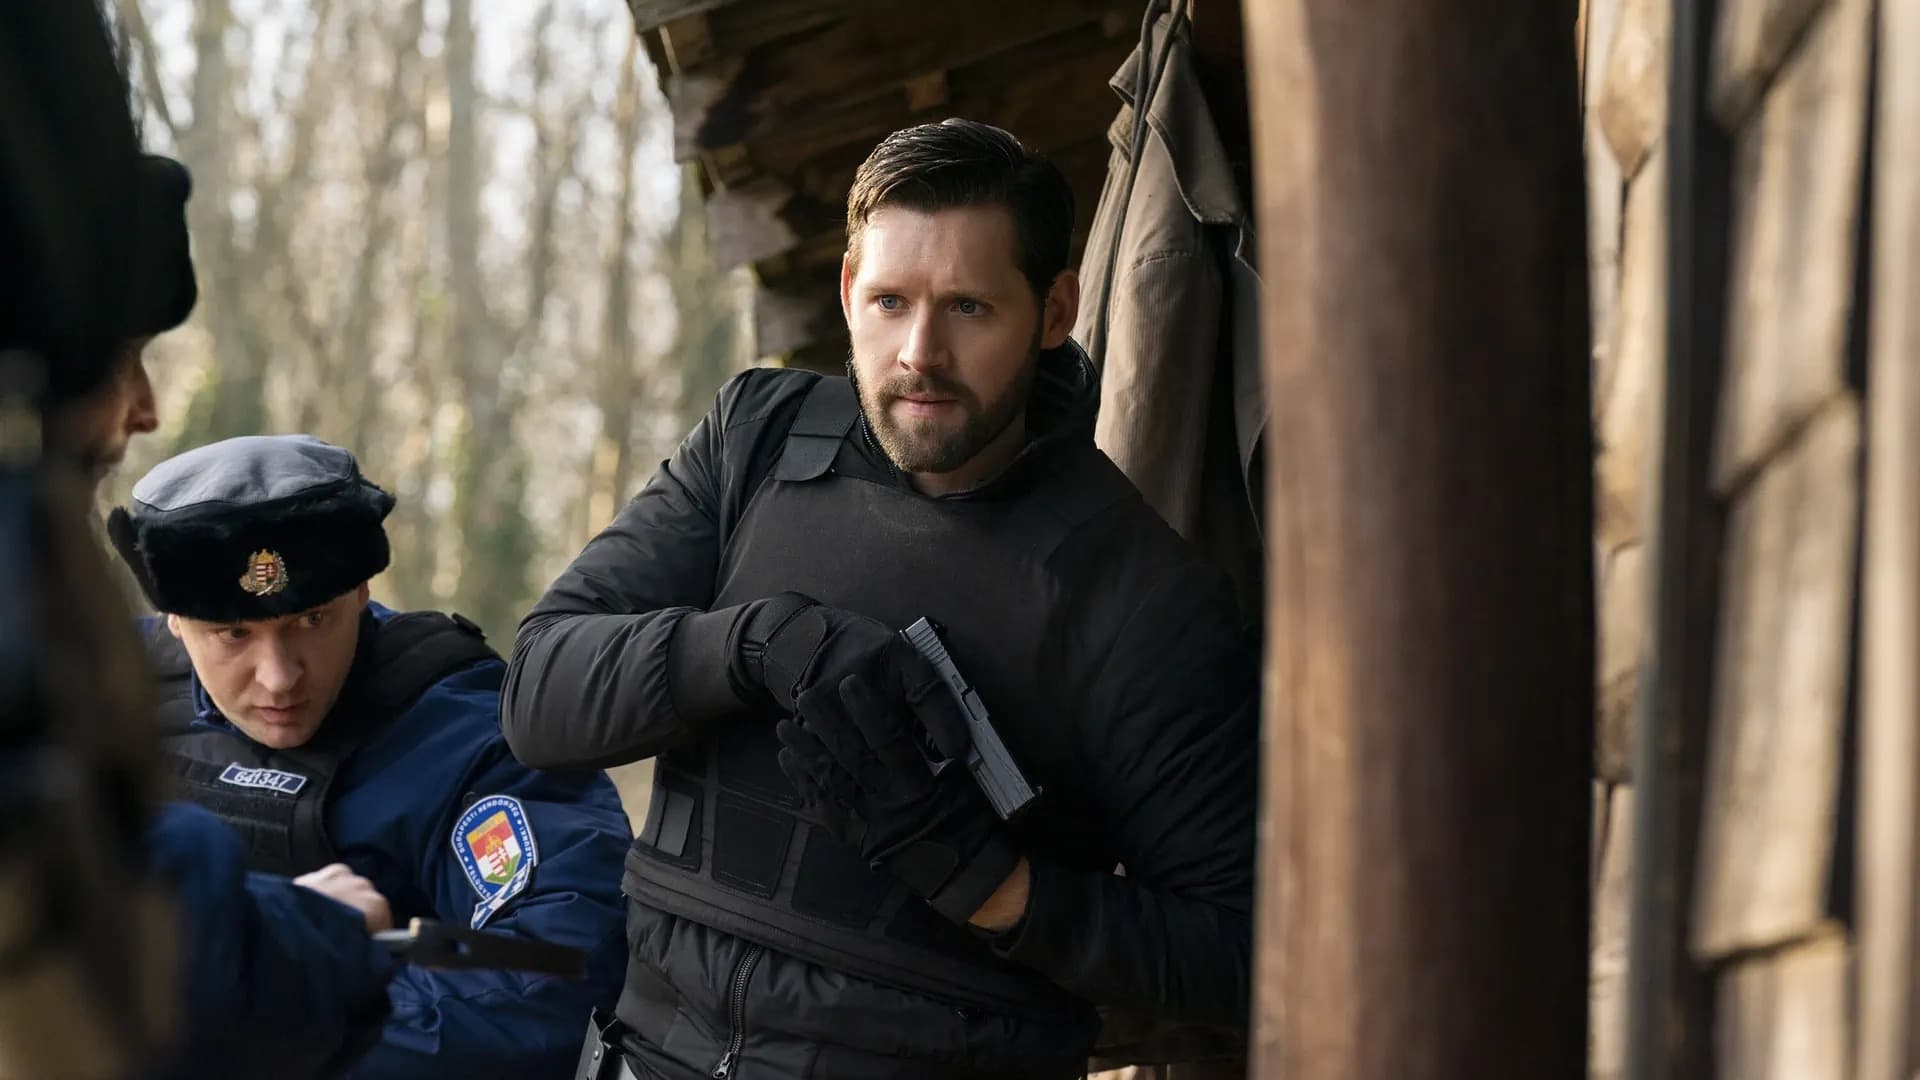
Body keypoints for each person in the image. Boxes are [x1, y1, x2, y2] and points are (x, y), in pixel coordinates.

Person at [503, 118, 1256, 1078]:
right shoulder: (756, 440)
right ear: (848, 288)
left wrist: (995, 887)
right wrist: (754, 646)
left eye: (969, 308)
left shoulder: (1142, 594)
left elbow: (1238, 951)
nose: (920, 353)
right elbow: (538, 695)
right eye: (891, 302)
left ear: (1054, 310)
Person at [107, 433, 634, 1077]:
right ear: (175, 621)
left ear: (360, 590)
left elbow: (556, 972)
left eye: (311, 620)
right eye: (233, 633)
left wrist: (267, 1022)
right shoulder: (103, 694)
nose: (279, 677)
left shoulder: (468, 738)